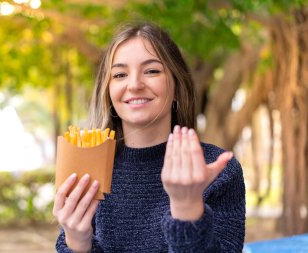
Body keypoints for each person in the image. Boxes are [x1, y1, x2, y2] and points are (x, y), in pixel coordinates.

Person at [53, 22, 245, 253]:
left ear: (176, 86)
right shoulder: (89, 166)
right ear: (108, 91)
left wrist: (187, 208)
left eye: (152, 71)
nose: (134, 85)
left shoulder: (217, 169)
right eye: (120, 74)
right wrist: (77, 241)